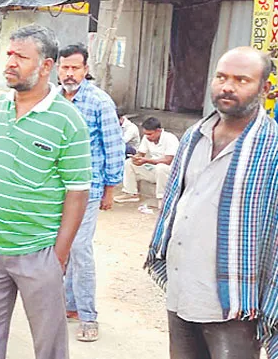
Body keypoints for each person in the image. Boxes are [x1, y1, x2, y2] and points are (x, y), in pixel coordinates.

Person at [0, 25, 91, 359]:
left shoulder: (68, 121)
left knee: (48, 345)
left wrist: (58, 258)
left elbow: (78, 192)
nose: (10, 62)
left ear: (45, 66)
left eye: (21, 56)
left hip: (37, 251)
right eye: (9, 54)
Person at [145, 47, 278, 359]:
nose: (227, 86)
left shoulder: (272, 147)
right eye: (221, 77)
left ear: (265, 88)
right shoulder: (194, 136)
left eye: (241, 80)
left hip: (235, 300)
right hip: (183, 286)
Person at [57, 43, 125, 342]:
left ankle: (88, 316)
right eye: (65, 67)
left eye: (75, 68)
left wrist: (110, 189)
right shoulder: (51, 100)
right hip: (56, 189)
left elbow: (113, 147)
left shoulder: (99, 102)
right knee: (59, 250)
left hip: (88, 189)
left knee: (81, 251)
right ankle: (66, 306)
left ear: (85, 70)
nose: (69, 73)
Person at [114, 117, 179, 212]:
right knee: (129, 163)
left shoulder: (170, 138)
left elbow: (167, 161)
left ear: (158, 131)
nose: (148, 137)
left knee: (161, 168)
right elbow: (141, 153)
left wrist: (146, 160)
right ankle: (131, 193)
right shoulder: (147, 138)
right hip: (153, 170)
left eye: (150, 134)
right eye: (146, 134)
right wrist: (136, 158)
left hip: (168, 172)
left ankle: (163, 199)